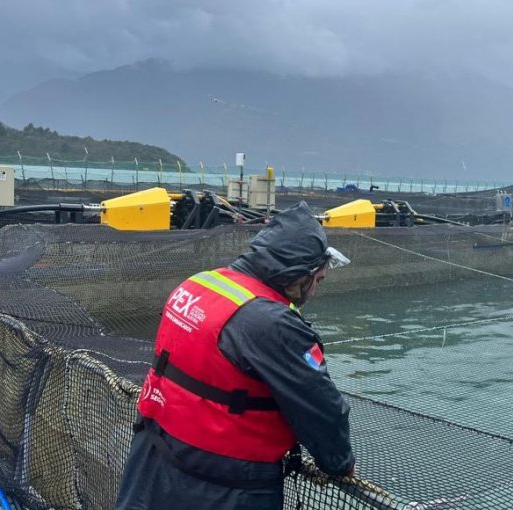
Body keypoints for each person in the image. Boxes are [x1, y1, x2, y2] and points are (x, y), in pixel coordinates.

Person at [115, 202, 355, 510]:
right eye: (318, 280)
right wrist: (339, 463)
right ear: (298, 275)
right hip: (224, 481)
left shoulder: (199, 283)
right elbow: (321, 407)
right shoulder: (271, 322)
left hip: (153, 455)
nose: (316, 289)